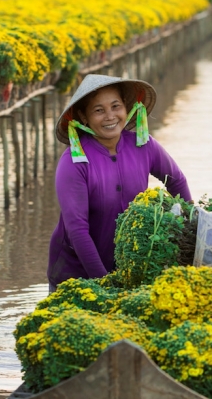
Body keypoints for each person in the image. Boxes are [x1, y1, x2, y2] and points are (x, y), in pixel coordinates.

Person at [48, 74, 191, 290]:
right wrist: (105, 283)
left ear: (126, 108)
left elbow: (177, 181)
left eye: (116, 106)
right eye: (99, 110)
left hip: (128, 268)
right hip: (76, 273)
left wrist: (191, 230)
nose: (110, 116)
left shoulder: (144, 146)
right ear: (83, 117)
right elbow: (77, 229)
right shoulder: (74, 162)